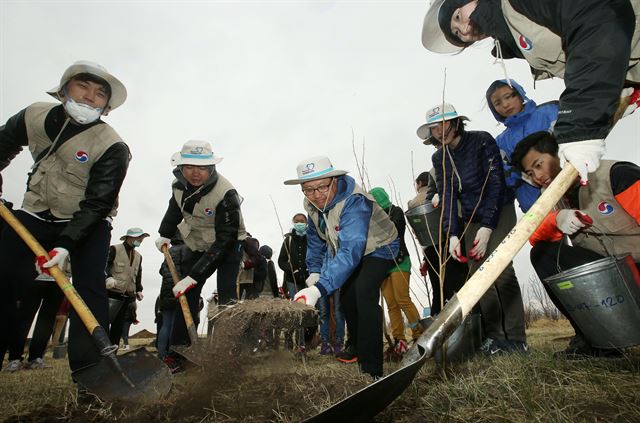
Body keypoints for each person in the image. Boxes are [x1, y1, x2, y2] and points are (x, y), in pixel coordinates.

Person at [0, 60, 130, 373]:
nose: (89, 97)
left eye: (100, 94)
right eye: (82, 86)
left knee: (89, 290)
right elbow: (3, 144)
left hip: (86, 222)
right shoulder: (34, 116)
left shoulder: (112, 146)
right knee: (4, 278)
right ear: (63, 90)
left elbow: (99, 203)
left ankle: (91, 373)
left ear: (106, 106)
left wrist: (65, 246)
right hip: (34, 212)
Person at [421, 0, 640, 185]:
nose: (466, 31)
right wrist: (618, 86)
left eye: (458, 17)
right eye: (459, 34)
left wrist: (580, 125)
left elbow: (596, 17)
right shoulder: (512, 33)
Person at [511, 131, 640, 357]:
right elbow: (534, 238)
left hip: (636, 268)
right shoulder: (553, 199)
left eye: (539, 165)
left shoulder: (615, 174)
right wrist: (556, 220)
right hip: (608, 275)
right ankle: (596, 341)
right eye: (531, 173)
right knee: (542, 254)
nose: (538, 176)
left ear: (559, 154)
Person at [418, 102, 528, 354]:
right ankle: (496, 337)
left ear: (457, 122)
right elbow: (446, 196)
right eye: (434, 128)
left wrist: (488, 226)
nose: (440, 131)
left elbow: (496, 182)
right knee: (478, 276)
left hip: (497, 209)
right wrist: (453, 233)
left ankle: (516, 337)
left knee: (501, 270)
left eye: (445, 124)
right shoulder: (439, 157)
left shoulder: (481, 141)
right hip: (468, 218)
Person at [286, 156, 400, 378]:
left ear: (335, 180)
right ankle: (356, 346)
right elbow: (315, 237)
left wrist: (319, 288)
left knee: (363, 294)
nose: (316, 195)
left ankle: (371, 369)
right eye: (308, 190)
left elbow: (352, 250)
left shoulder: (354, 201)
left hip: (380, 247)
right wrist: (315, 270)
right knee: (346, 297)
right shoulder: (312, 205)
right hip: (351, 249)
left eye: (322, 187)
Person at [155, 140, 245, 355]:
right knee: (185, 297)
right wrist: (164, 233)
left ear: (211, 167)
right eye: (189, 167)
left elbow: (225, 240)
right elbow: (174, 210)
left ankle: (229, 351)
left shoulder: (226, 193)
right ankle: (181, 351)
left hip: (229, 245)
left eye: (202, 168)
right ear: (181, 167)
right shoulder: (178, 186)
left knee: (227, 297)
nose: (195, 173)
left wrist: (194, 275)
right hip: (196, 243)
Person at [486, 79, 558, 212]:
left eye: (508, 96)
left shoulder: (549, 111)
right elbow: (502, 176)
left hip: (571, 187)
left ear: (519, 93)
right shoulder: (500, 142)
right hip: (537, 209)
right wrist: (519, 174)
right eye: (497, 103)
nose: (505, 104)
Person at [369, 187, 423, 361]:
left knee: (403, 299)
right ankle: (399, 340)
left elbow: (395, 231)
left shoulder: (396, 211)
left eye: (374, 199)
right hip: (382, 264)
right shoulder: (371, 218)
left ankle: (418, 334)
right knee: (391, 303)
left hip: (400, 260)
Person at [407, 170, 469, 316]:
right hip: (450, 243)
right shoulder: (441, 193)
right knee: (457, 283)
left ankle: (437, 320)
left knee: (438, 288)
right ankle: (464, 316)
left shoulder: (413, 203)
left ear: (420, 183)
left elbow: (418, 233)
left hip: (430, 249)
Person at [105, 227, 147, 347]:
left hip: (127, 295)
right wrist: (108, 277)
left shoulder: (138, 256)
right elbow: (105, 264)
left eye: (142, 238)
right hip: (112, 292)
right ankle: (101, 349)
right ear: (130, 237)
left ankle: (114, 351)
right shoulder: (114, 249)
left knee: (118, 326)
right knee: (104, 322)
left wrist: (139, 289)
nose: (140, 240)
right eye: (139, 237)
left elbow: (138, 273)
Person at [278, 213, 309, 299]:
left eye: (302, 221)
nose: (299, 223)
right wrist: (293, 270)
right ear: (293, 223)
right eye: (297, 221)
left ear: (306, 222)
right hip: (292, 280)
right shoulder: (288, 240)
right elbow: (281, 261)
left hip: (309, 279)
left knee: (310, 304)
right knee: (295, 303)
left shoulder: (312, 238)